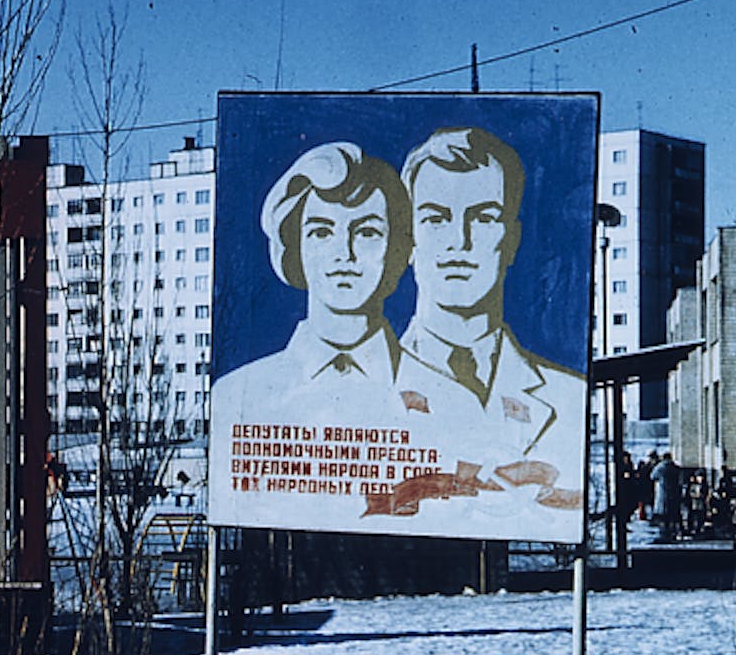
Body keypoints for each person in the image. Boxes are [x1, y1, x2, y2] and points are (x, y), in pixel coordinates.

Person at [390, 127, 587, 530]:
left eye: (483, 218)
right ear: (408, 239)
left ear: (511, 240)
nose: (459, 241)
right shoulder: (361, 386)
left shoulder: (569, 394)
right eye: (435, 219)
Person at [210, 141, 412, 418]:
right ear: (294, 246)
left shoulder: (446, 396)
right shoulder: (235, 396)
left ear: (396, 247)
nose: (344, 254)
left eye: (366, 233)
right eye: (321, 233)